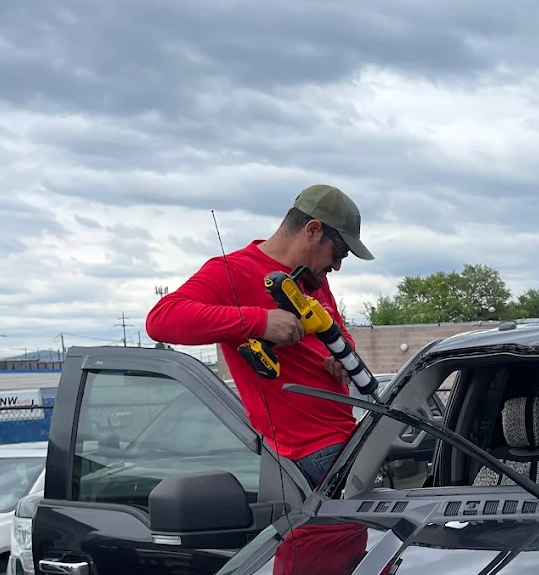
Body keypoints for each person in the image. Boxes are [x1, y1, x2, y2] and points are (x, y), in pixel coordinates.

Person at [146, 184, 374, 485]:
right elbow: (161, 319)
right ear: (313, 229)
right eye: (339, 251)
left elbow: (337, 330)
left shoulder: (314, 278)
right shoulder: (232, 272)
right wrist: (259, 321)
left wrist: (340, 357)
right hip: (311, 455)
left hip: (346, 439)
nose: (338, 265)